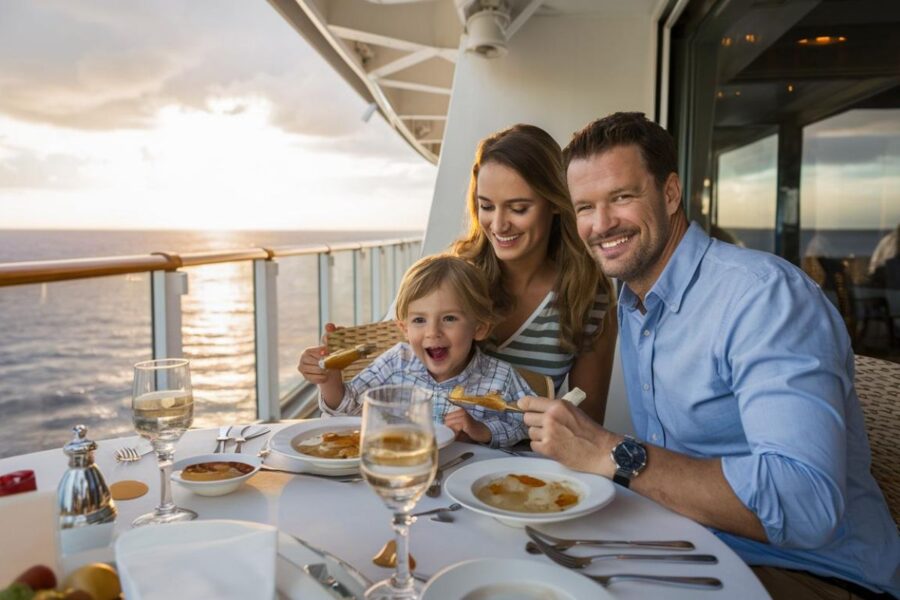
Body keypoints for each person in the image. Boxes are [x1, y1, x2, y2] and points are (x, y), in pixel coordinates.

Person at [520, 112, 900, 599]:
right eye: (585, 207)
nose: (601, 224)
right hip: (696, 550)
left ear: (671, 194)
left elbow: (807, 507)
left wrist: (611, 453)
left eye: (622, 197)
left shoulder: (763, 298)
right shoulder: (633, 298)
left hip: (815, 575)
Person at [451, 124, 617, 423]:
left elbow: (585, 425)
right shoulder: (453, 277)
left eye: (518, 208)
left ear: (554, 203)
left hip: (531, 465)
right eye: (487, 206)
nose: (499, 225)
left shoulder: (589, 295)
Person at [298, 254, 531, 448]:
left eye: (449, 318)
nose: (433, 332)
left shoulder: (501, 377)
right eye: (419, 320)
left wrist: (483, 430)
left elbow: (526, 424)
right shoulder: (396, 362)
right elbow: (348, 411)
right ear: (405, 329)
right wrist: (330, 381)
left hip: (465, 482)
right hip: (401, 471)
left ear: (479, 328)